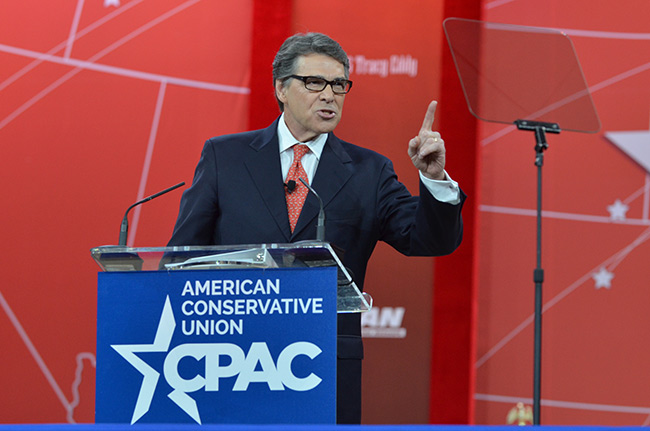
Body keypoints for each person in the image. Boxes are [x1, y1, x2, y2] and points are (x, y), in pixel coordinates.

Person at [168, 32, 465, 424]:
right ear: (281, 88)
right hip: (230, 359)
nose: (329, 95)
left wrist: (434, 179)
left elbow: (428, 239)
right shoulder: (225, 157)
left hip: (322, 364)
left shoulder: (369, 172)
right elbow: (179, 261)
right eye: (314, 83)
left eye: (339, 85)